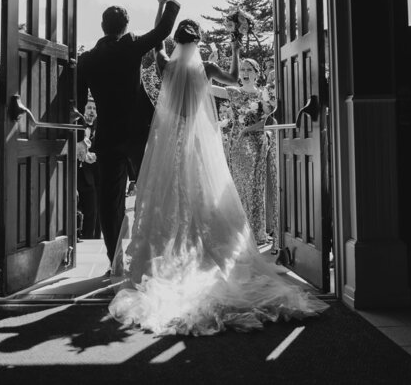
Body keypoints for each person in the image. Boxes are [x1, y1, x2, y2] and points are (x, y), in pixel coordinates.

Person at [109, 19, 328, 336]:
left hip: (171, 145)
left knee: (169, 198)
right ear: (198, 42)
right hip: (199, 143)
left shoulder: (166, 66)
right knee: (204, 196)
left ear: (177, 42)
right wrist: (236, 47)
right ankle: (201, 249)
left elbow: (157, 45)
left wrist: (161, 22)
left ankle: (171, 252)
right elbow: (236, 78)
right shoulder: (207, 67)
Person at [76, 0, 181, 266]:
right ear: (125, 26)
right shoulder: (131, 44)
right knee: (149, 192)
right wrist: (170, 3)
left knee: (110, 203)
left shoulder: (87, 60)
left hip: (108, 138)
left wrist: (79, 134)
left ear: (102, 26)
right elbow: (163, 30)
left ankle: (116, 261)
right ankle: (151, 255)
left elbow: (76, 103)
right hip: (138, 134)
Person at [211, 56, 279, 247]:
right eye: (242, 69)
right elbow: (208, 88)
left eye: (249, 69)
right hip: (237, 143)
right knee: (238, 183)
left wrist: (251, 128)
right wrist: (210, 67)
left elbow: (267, 118)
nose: (245, 73)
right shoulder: (232, 92)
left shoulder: (264, 95)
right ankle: (237, 229)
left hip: (258, 142)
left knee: (255, 187)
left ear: (257, 73)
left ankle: (256, 231)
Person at [76, 97, 101, 240]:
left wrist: (95, 156)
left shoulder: (100, 129)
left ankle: (90, 239)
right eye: (89, 108)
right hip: (76, 175)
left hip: (92, 177)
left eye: (94, 108)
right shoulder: (77, 126)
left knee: (92, 211)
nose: (92, 111)